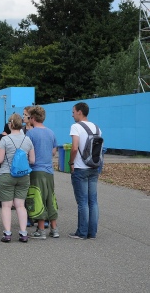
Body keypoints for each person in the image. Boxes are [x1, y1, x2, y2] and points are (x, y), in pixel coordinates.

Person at [0, 113, 35, 243]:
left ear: (10, 124)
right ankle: (23, 233)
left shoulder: (5, 140)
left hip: (7, 174)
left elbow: (0, 159)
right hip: (23, 175)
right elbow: (32, 160)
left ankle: (7, 233)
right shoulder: (27, 140)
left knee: (6, 206)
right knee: (20, 205)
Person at [69, 102, 102, 240]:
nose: (72, 114)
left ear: (80, 112)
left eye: (73, 112)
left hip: (80, 168)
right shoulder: (97, 128)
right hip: (93, 167)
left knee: (82, 201)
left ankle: (82, 232)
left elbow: (75, 147)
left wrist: (71, 162)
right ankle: (92, 232)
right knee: (93, 201)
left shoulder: (76, 127)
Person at [26, 106, 59, 239]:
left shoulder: (31, 133)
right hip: (49, 170)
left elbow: (28, 151)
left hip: (36, 170)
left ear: (33, 118)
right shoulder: (51, 133)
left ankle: (41, 230)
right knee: (50, 198)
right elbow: (53, 151)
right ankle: (54, 228)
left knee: (38, 197)